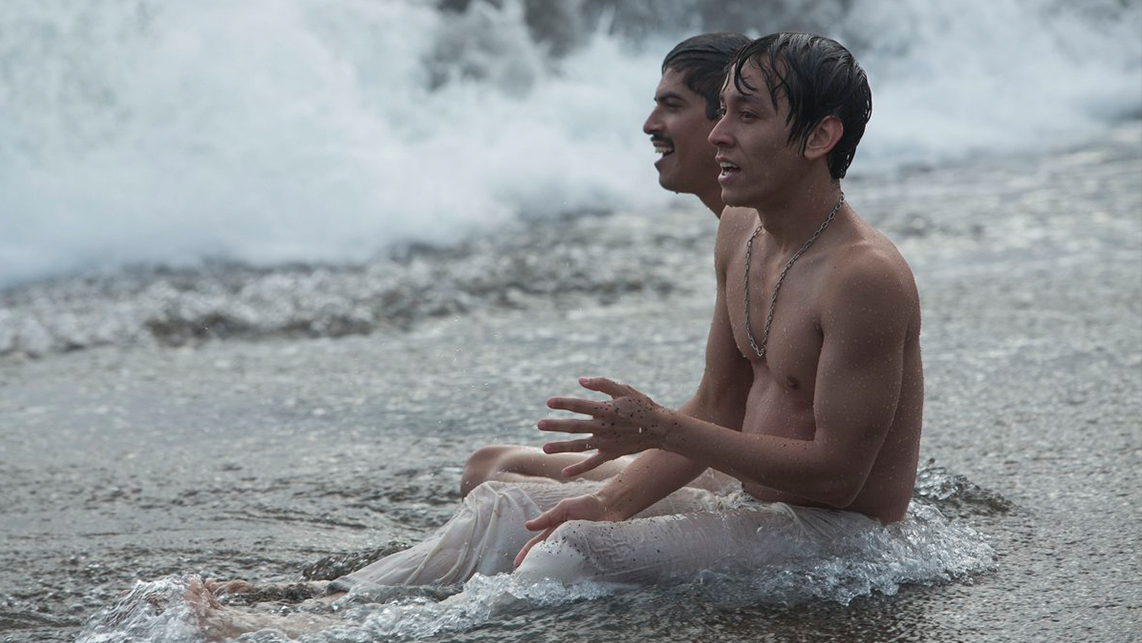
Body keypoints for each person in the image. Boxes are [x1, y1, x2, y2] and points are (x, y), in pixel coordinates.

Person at [193, 31, 923, 637]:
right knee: (508, 504)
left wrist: (661, 430)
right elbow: (721, 402)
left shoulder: (864, 276)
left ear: (820, 135)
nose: (721, 133)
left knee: (568, 549)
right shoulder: (743, 232)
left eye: (746, 115)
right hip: (754, 506)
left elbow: (837, 476)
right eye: (720, 110)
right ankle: (321, 608)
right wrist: (613, 496)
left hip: (837, 537)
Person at [460, 31, 751, 498]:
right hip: (729, 464)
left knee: (492, 477)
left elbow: (728, 408)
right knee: (487, 466)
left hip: (753, 485)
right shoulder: (740, 228)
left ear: (729, 120)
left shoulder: (755, 229)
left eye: (672, 106)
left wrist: (647, 445)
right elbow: (723, 401)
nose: (649, 124)